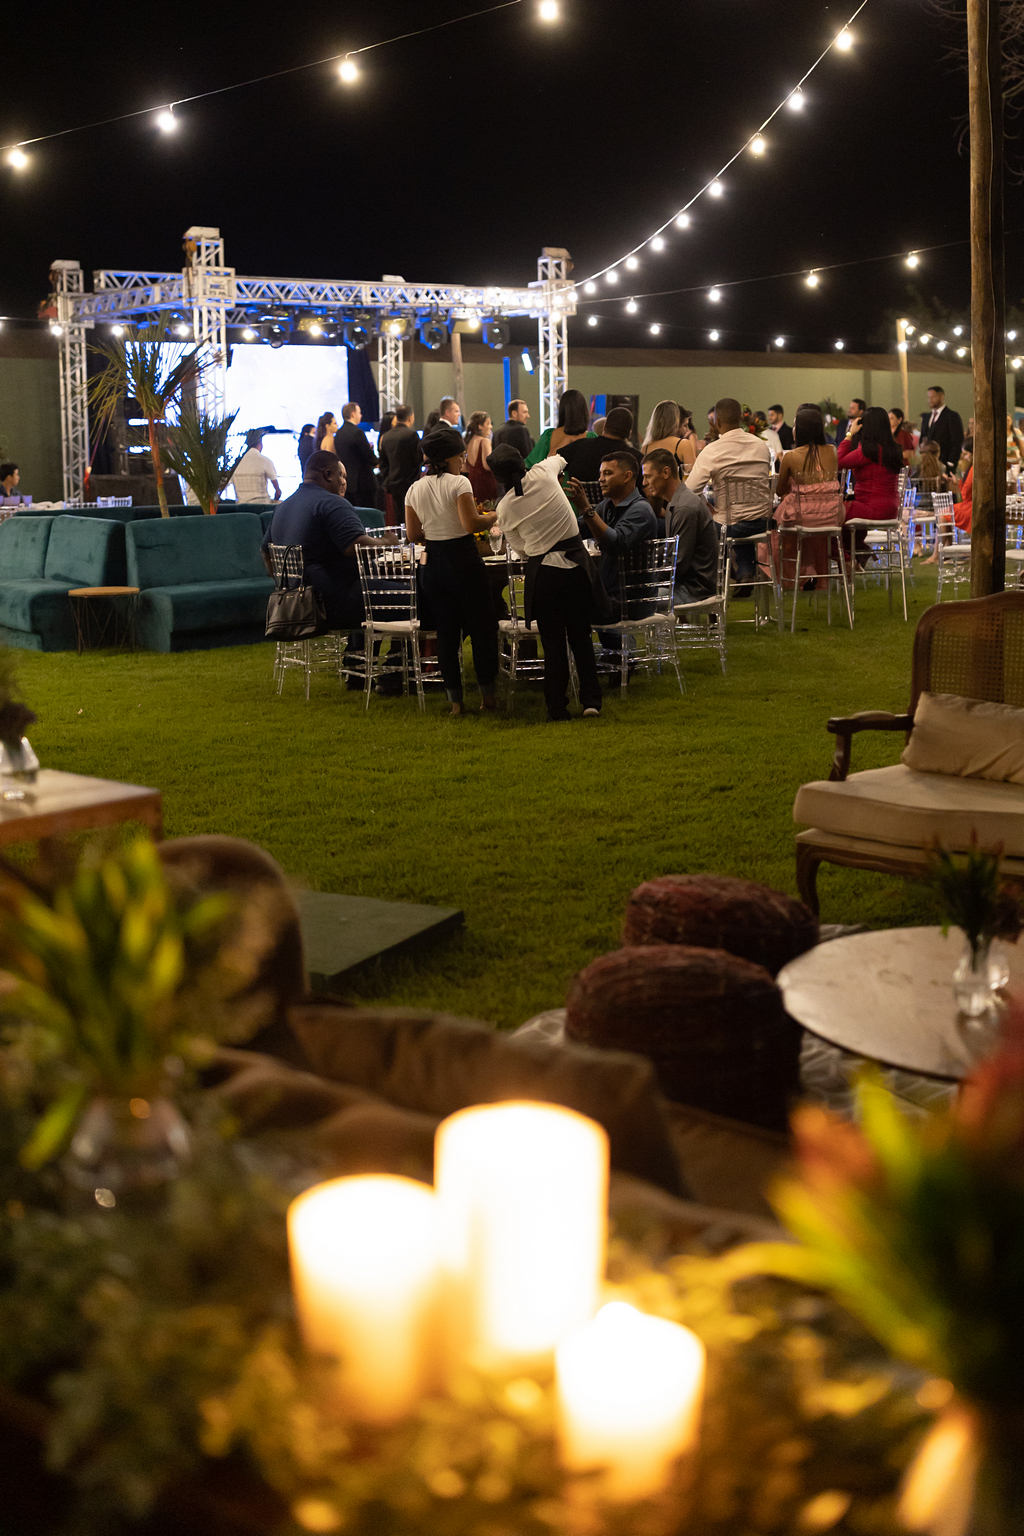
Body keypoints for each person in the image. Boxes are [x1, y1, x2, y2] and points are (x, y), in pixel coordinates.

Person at [491, 443, 605, 720]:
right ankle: (591, 701)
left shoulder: (504, 507)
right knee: (581, 637)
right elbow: (562, 459)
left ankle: (556, 706)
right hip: (576, 567)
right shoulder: (544, 471)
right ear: (523, 461)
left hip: (544, 574)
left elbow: (521, 549)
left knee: (553, 645)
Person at [404, 427, 499, 716]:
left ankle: (456, 702)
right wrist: (494, 516)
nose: (464, 461)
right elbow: (471, 524)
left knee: (446, 635)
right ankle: (487, 698)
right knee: (482, 630)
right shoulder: (459, 483)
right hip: (463, 560)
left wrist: (436, 534)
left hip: (433, 562)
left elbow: (412, 534)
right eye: (462, 456)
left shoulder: (414, 488)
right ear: (448, 459)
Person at [261, 449, 400, 636]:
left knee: (374, 587)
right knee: (417, 596)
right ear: (328, 475)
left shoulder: (282, 507)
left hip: (295, 605)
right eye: (341, 476)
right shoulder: (331, 503)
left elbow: (266, 553)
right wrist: (387, 541)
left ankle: (357, 653)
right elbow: (354, 546)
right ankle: (402, 654)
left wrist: (284, 585)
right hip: (334, 604)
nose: (343, 482)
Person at [686, 397, 773, 592]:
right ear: (741, 418)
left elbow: (690, 490)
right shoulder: (760, 446)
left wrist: (707, 506)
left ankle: (717, 575)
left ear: (716, 422)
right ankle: (745, 572)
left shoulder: (713, 450)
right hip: (762, 521)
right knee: (738, 517)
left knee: (718, 522)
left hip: (729, 524)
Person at [566, 451, 658, 614]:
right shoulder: (607, 505)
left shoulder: (641, 510)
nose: (600, 479)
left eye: (608, 473)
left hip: (630, 602)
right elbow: (577, 529)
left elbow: (614, 543)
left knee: (565, 607)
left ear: (627, 476)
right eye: (601, 474)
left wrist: (586, 509)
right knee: (560, 596)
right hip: (609, 597)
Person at [771, 407, 841, 590]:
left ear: (800, 430)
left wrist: (796, 485)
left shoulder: (791, 456)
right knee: (815, 532)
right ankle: (817, 575)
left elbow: (779, 490)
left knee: (780, 528)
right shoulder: (832, 451)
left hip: (802, 517)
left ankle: (801, 574)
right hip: (831, 516)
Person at [641, 449, 719, 602]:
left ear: (666, 473)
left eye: (648, 476)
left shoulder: (685, 507)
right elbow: (671, 551)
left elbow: (678, 564)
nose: (644, 483)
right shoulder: (677, 502)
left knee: (631, 599)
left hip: (694, 590)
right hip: (687, 584)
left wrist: (645, 578)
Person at [837, 405, 903, 563]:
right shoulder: (893, 448)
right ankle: (858, 552)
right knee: (846, 513)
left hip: (873, 507)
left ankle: (850, 557)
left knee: (833, 511)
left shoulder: (869, 450)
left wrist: (850, 434)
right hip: (891, 509)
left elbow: (838, 462)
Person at [559, 406, 644, 484]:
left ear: (604, 427)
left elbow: (553, 463)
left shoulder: (578, 446)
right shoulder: (635, 459)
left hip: (577, 496)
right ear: (629, 433)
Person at [378, 405, 423, 522]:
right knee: (412, 517)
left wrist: (388, 478)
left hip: (393, 483)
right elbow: (418, 459)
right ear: (410, 417)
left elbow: (383, 463)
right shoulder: (412, 434)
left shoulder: (386, 436)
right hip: (410, 483)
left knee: (399, 517)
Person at [525, 388, 593, 466]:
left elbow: (530, 464)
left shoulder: (548, 435)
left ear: (562, 410)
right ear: (584, 410)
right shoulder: (592, 438)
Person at [333, 402, 378, 508]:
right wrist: (376, 461)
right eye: (359, 413)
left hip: (347, 481)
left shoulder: (339, 433)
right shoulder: (357, 432)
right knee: (367, 512)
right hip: (363, 482)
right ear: (353, 414)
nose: (361, 415)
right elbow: (368, 455)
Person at [641, 400, 697, 473]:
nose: (687, 430)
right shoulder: (683, 445)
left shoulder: (645, 448)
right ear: (675, 424)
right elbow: (693, 476)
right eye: (685, 425)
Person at [917, 386, 964, 472]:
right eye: (928, 397)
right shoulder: (927, 417)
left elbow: (957, 441)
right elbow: (923, 436)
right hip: (927, 464)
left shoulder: (952, 416)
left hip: (944, 462)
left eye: (933, 397)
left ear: (941, 397)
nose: (930, 400)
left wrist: (951, 462)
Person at [231, 430, 281, 503]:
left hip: (241, 505)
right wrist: (275, 500)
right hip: (262, 505)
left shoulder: (236, 463)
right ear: (260, 444)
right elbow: (278, 492)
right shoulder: (265, 461)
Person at [464, 412, 499, 502]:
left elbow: (465, 468)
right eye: (488, 423)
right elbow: (487, 465)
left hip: (472, 481)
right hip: (485, 483)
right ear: (480, 426)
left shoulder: (469, 441)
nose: (491, 426)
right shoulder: (484, 441)